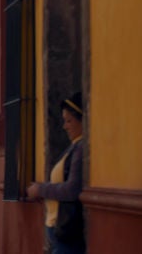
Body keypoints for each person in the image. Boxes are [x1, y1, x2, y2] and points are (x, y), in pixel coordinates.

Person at [26, 93, 85, 254]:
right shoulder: (74, 147)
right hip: (58, 228)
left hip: (68, 230)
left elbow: (72, 189)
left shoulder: (80, 149)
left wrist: (41, 189)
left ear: (83, 120)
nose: (65, 126)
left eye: (69, 121)